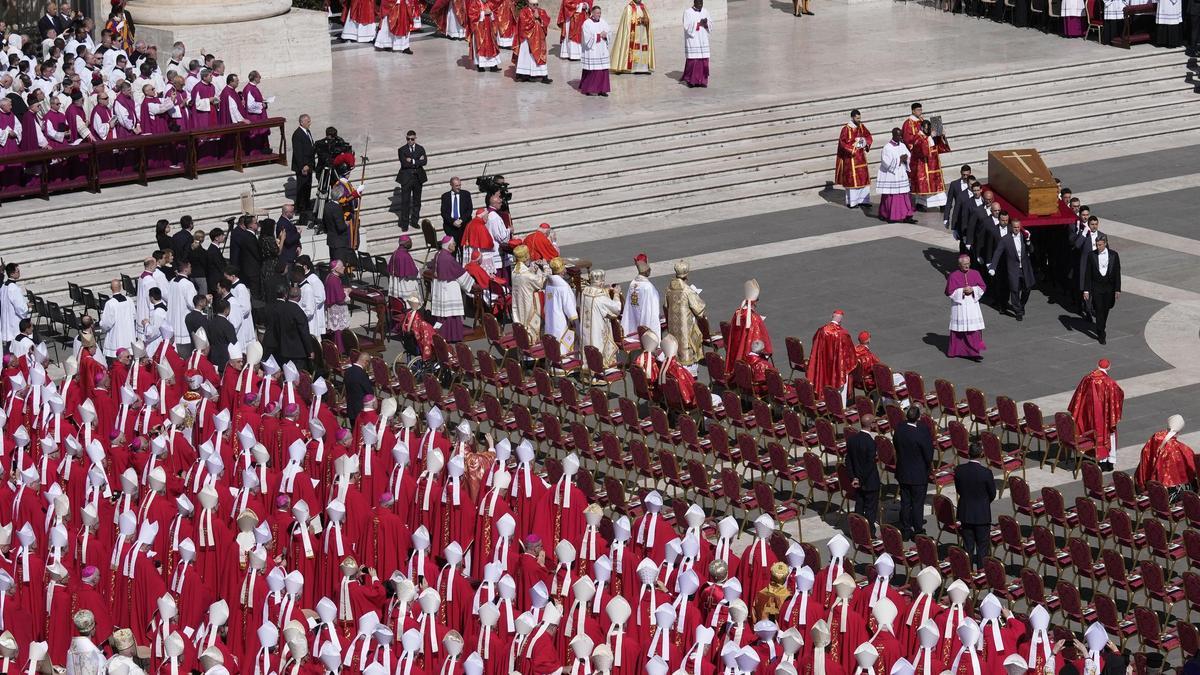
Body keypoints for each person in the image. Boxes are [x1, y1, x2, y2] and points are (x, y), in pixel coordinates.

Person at [1068, 358, 1125, 472]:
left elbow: (1079, 395)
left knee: (1092, 432)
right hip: (1105, 416)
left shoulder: (1087, 378)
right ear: (1109, 367)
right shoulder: (1109, 382)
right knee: (1109, 435)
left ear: (1097, 365)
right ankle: (1108, 461)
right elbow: (1119, 394)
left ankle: (1096, 457)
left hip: (1089, 413)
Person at [954, 443, 996, 569]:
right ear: (981, 455)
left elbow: (959, 489)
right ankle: (981, 573)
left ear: (968, 454)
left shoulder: (959, 470)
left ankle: (967, 572)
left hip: (966, 512)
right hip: (982, 514)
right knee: (983, 547)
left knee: (968, 546)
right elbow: (992, 494)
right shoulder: (986, 473)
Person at [894, 405, 933, 541]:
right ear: (918, 417)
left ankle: (905, 529)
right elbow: (928, 455)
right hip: (918, 474)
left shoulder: (900, 428)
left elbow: (896, 445)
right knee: (917, 503)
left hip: (903, 471)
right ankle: (917, 529)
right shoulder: (921, 433)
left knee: (905, 502)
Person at [1135, 414, 1196, 494]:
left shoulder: (1156, 437)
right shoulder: (1181, 449)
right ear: (1179, 432)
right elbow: (1191, 469)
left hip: (1150, 484)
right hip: (1167, 490)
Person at [429, 237, 476, 342]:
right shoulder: (448, 259)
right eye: (453, 243)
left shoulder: (438, 254)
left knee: (443, 314)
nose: (455, 245)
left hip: (440, 288)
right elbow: (459, 274)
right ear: (449, 245)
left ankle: (442, 334)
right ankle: (452, 335)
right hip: (448, 290)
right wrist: (471, 283)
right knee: (451, 313)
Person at [987, 221, 1035, 321]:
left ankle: (1021, 305)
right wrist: (993, 267)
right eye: (1014, 227)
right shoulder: (1005, 239)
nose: (1016, 229)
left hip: (1025, 268)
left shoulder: (1024, 236)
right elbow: (998, 252)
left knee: (1027, 288)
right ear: (1011, 228)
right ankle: (1018, 311)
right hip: (1013, 269)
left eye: (1018, 227)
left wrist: (1029, 241)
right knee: (1014, 290)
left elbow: (1031, 250)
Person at [664, 260, 706, 373]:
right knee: (688, 360)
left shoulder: (669, 289)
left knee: (676, 355)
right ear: (687, 274)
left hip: (673, 331)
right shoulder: (688, 291)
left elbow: (665, 306)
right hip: (686, 332)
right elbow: (700, 310)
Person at [579, 268, 623, 375]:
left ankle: (587, 373)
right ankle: (598, 373)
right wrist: (616, 294)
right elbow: (616, 309)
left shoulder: (585, 291)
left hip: (585, 329)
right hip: (597, 329)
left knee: (587, 347)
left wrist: (605, 290)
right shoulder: (600, 297)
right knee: (598, 347)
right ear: (601, 282)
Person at [807, 309, 856, 402]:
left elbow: (815, 344)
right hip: (836, 363)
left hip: (823, 361)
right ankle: (838, 405)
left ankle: (822, 397)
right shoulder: (842, 333)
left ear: (832, 316)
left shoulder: (821, 330)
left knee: (823, 376)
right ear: (840, 320)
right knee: (839, 380)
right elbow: (849, 352)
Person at [945, 254, 987, 360]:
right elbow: (949, 291)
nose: (967, 266)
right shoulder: (953, 276)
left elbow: (982, 286)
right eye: (964, 264)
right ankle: (956, 350)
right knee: (958, 330)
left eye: (968, 264)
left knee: (974, 330)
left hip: (972, 304)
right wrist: (962, 290)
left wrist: (973, 289)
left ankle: (973, 352)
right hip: (960, 305)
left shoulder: (975, 273)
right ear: (959, 265)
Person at [1082, 234, 1121, 345]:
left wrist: (1117, 289)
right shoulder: (1091, 255)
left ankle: (1101, 325)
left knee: (1106, 308)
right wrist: (1086, 290)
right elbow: (1088, 273)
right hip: (1097, 287)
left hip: (1109, 287)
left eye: (1100, 245)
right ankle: (1101, 333)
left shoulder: (1114, 255)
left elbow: (1117, 273)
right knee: (1099, 309)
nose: (1098, 247)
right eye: (1097, 245)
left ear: (1105, 244)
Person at [845, 416, 880, 535]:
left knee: (859, 506)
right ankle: (870, 533)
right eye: (875, 421)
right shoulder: (870, 442)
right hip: (869, 481)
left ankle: (857, 531)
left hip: (857, 481)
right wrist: (860, 479)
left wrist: (853, 477)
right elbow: (869, 466)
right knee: (870, 509)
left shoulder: (852, 439)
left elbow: (848, 460)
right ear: (871, 424)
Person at [909, 119, 951, 211]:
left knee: (938, 186)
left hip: (934, 165)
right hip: (924, 167)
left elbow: (939, 147)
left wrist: (941, 136)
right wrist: (930, 137)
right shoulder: (918, 137)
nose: (928, 131)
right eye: (927, 129)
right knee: (926, 187)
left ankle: (943, 204)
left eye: (929, 129)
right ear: (922, 128)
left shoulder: (927, 136)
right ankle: (920, 204)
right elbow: (924, 152)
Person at [835, 110, 872, 209]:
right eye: (857, 118)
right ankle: (853, 202)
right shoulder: (846, 129)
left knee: (863, 178)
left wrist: (865, 142)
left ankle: (864, 200)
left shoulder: (861, 126)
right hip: (851, 158)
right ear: (852, 118)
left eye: (860, 118)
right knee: (853, 180)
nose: (859, 120)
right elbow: (842, 143)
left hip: (861, 157)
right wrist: (853, 148)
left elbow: (868, 136)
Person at [877, 128, 915, 224]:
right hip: (892, 175)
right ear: (893, 135)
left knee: (905, 195)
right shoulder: (887, 147)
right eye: (898, 135)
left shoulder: (902, 145)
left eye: (901, 135)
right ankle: (890, 215)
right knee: (892, 196)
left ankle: (907, 215)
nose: (900, 137)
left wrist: (906, 159)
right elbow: (886, 163)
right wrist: (899, 160)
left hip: (901, 173)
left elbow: (908, 155)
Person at [543, 257, 579, 358]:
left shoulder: (549, 284)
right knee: (563, 345)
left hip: (550, 319)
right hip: (561, 321)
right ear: (562, 271)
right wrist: (576, 324)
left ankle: (553, 365)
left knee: (552, 342)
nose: (566, 270)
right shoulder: (563, 287)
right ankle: (565, 366)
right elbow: (570, 309)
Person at [620, 253, 662, 340]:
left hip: (632, 329)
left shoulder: (633, 283)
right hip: (645, 330)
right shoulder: (648, 287)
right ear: (646, 270)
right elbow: (653, 311)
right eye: (649, 269)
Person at [610, 0, 655, 74]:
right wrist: (639, 20)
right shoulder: (629, 7)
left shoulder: (643, 7)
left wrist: (646, 20)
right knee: (634, 49)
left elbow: (648, 19)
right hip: (633, 34)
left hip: (643, 32)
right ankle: (632, 68)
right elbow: (627, 22)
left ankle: (643, 68)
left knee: (643, 48)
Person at [396, 130, 428, 231]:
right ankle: (404, 224)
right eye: (408, 139)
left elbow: (425, 162)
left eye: (412, 139)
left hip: (418, 178)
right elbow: (404, 164)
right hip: (406, 178)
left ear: (415, 139)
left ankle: (414, 221)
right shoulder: (402, 150)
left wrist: (412, 160)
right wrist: (418, 160)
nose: (410, 141)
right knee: (405, 202)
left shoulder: (420, 148)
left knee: (417, 201)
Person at [515, 0, 554, 83]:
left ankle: (544, 76)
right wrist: (534, 18)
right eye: (533, 5)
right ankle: (525, 74)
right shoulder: (524, 11)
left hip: (539, 39)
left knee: (541, 56)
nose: (535, 6)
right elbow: (523, 23)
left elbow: (546, 21)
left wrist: (539, 17)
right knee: (526, 57)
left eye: (536, 4)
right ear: (529, 4)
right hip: (527, 39)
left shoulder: (541, 11)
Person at [99, 278, 136, 360]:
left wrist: (101, 326)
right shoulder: (129, 300)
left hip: (117, 338)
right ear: (121, 287)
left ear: (111, 289)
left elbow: (106, 323)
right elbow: (134, 316)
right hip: (129, 337)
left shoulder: (110, 303)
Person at [580, 6, 612, 96]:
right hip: (592, 51)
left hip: (602, 50)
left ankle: (603, 89)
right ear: (592, 13)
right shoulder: (587, 23)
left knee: (603, 70)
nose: (599, 15)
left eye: (600, 13)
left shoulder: (603, 22)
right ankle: (589, 89)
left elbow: (609, 32)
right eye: (597, 13)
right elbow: (587, 38)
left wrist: (606, 35)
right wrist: (598, 35)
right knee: (593, 70)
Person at [0, 262, 30, 353]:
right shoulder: (14, 288)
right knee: (15, 351)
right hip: (13, 325)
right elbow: (21, 309)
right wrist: (27, 306)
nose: (19, 272)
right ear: (12, 273)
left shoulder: (3, 286)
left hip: (6, 324)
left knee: (7, 350)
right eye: (17, 271)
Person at [681, 0, 711, 88]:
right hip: (693, 40)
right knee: (693, 61)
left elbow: (710, 24)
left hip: (703, 39)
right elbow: (687, 26)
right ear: (694, 2)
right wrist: (698, 24)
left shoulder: (705, 11)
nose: (700, 5)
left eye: (702, 3)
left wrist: (706, 24)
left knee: (704, 61)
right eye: (699, 3)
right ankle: (691, 81)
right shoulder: (687, 12)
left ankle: (702, 81)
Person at [291, 114, 315, 223]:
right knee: (302, 186)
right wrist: (303, 166)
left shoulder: (307, 131)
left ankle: (306, 204)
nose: (310, 122)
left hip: (309, 164)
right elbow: (298, 152)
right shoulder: (297, 134)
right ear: (301, 122)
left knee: (308, 185)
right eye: (308, 121)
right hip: (303, 166)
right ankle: (300, 207)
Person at [325, 259, 351, 354]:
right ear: (336, 269)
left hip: (333, 309)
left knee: (336, 333)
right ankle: (340, 352)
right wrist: (347, 292)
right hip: (337, 311)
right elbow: (340, 299)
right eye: (342, 266)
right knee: (338, 333)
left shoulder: (330, 277)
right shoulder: (334, 280)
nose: (344, 268)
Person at [468, 0, 502, 70]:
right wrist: (483, 13)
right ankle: (481, 66)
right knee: (480, 47)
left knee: (491, 46)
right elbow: (471, 15)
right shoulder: (475, 2)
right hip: (479, 29)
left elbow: (496, 12)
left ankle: (493, 66)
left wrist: (491, 13)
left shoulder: (489, 3)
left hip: (490, 29)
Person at [441, 177, 474, 246]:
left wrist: (461, 220)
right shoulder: (445, 196)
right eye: (456, 186)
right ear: (451, 185)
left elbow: (469, 210)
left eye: (459, 185)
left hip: (463, 225)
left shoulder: (466, 194)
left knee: (463, 248)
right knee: (453, 249)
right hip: (451, 226)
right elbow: (444, 212)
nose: (459, 187)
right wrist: (453, 222)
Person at [344, 352, 374, 424]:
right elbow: (369, 392)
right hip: (360, 409)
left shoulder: (347, 371)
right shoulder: (362, 374)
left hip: (350, 407)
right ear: (366, 362)